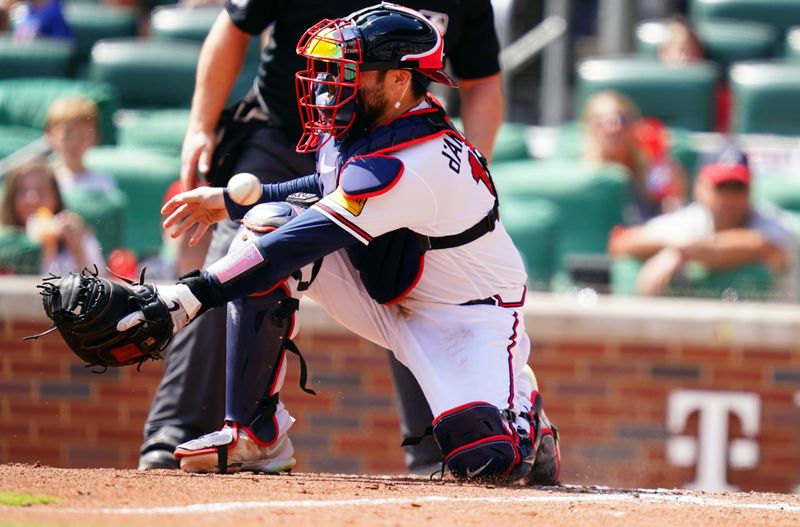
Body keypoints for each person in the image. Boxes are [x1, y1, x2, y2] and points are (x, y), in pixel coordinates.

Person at [129, 4, 559, 483]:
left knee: (484, 459)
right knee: (266, 222)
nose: (328, 84)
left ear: (399, 81)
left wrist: (188, 295)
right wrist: (230, 202)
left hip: (467, 315)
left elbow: (304, 239)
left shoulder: (421, 160)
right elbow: (324, 184)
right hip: (392, 290)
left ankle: (528, 417)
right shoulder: (359, 123)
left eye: (348, 71)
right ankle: (256, 434)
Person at [608, 144, 797, 300]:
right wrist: (676, 248)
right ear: (699, 188)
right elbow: (621, 242)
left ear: (750, 190)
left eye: (738, 187)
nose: (729, 197)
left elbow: (760, 245)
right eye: (721, 187)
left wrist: (681, 252)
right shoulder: (693, 220)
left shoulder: (775, 224)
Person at [582, 90, 688, 225]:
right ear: (588, 127)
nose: (613, 128)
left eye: (621, 119)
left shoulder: (650, 170)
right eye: (600, 121)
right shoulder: (582, 178)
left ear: (634, 125)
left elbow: (672, 210)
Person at [0, 160, 104, 276]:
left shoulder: (79, 236)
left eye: (41, 190)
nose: (32, 199)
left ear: (55, 196)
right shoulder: (3, 240)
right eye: (23, 191)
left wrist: (77, 249)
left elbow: (98, 285)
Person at [656, 15, 731, 133]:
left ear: (700, 53)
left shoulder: (720, 97)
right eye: (671, 47)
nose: (682, 55)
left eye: (687, 47)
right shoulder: (648, 95)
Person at [45, 96, 117, 194]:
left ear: (95, 138)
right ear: (51, 136)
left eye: (82, 137)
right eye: (67, 136)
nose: (74, 144)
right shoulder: (44, 181)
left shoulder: (103, 183)